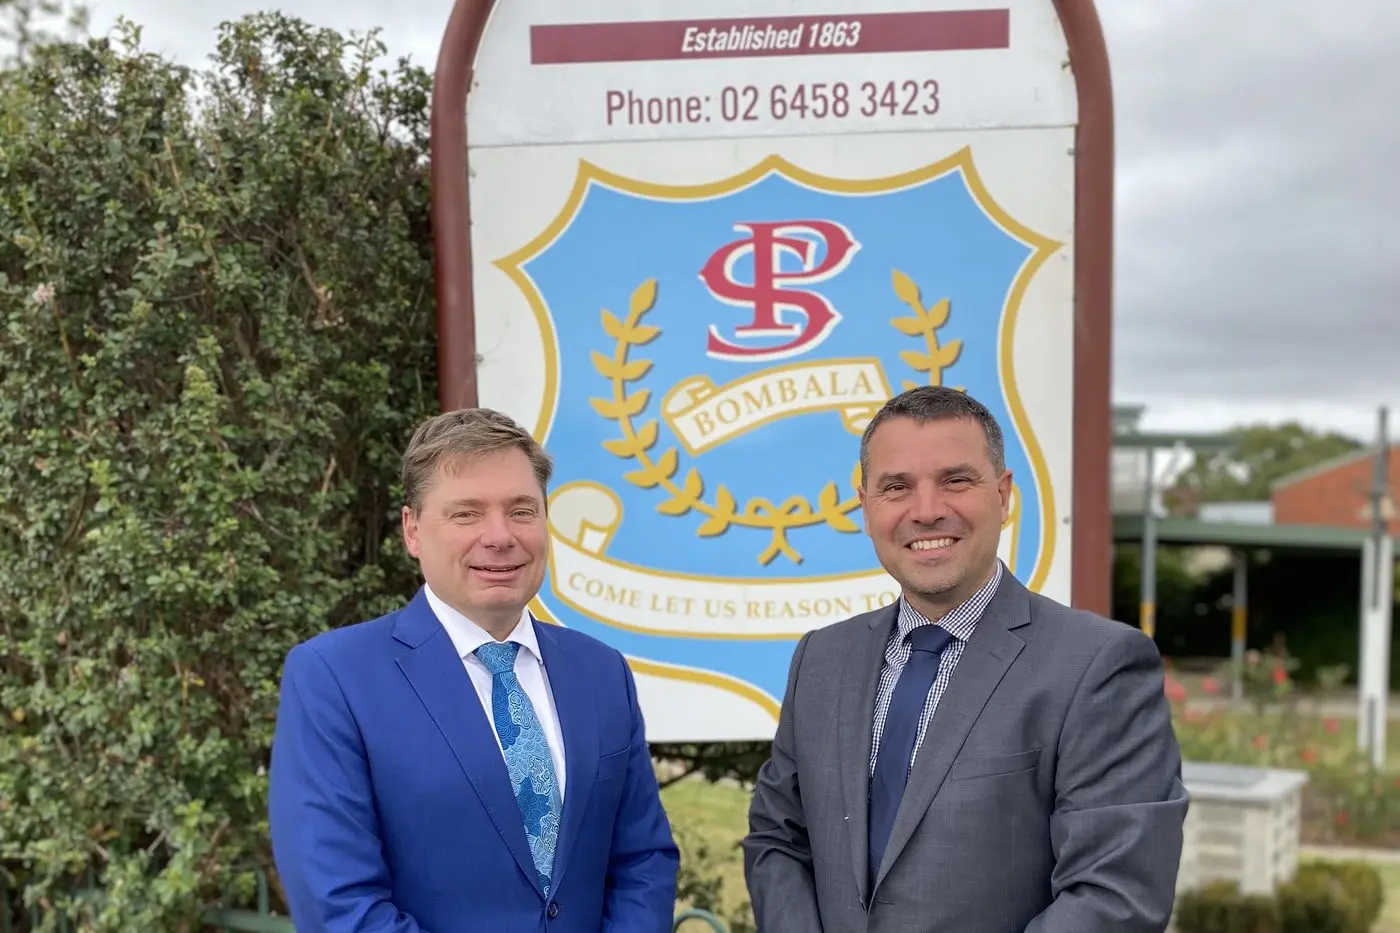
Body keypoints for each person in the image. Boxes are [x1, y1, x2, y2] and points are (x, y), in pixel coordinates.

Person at [742, 386, 1189, 933]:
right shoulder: (821, 659)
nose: (927, 511)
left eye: (956, 480)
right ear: (865, 507)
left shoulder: (1099, 666)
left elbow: (1115, 893)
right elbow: (777, 840)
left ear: (1003, 495)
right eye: (896, 487)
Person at [269, 408, 679, 933]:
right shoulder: (334, 678)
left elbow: (643, 861)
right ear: (412, 530)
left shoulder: (601, 672)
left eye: (522, 511)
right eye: (466, 514)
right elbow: (339, 903)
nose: (500, 535)